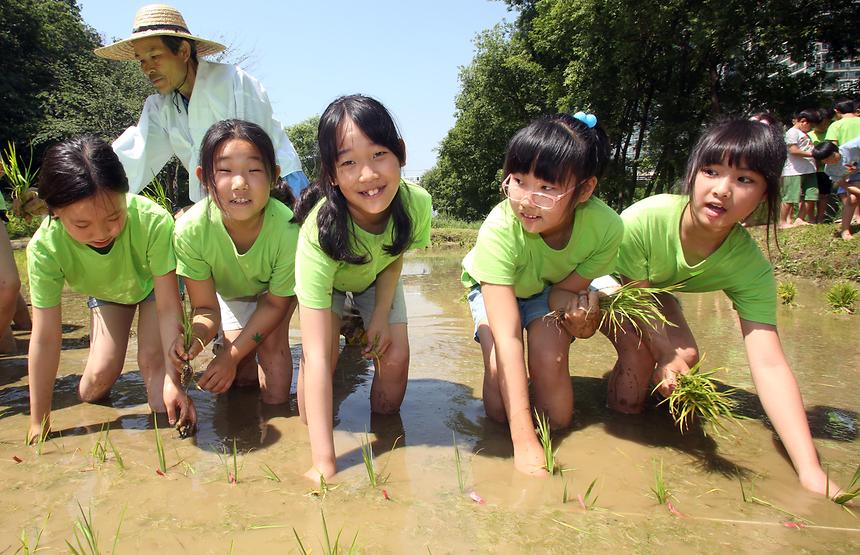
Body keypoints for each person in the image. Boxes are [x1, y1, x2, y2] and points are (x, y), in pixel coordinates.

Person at [605, 119, 843, 497]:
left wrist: (809, 468)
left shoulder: (749, 265)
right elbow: (633, 296)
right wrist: (666, 352)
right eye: (711, 171)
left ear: (766, 195)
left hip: (653, 291)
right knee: (643, 356)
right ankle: (621, 437)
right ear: (692, 175)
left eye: (744, 180)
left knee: (686, 356)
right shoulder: (647, 217)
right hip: (603, 288)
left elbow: (769, 363)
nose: (722, 190)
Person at [461, 112, 622, 476]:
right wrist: (525, 442)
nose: (526, 201)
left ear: (584, 190)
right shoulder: (501, 229)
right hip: (494, 290)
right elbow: (507, 336)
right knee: (499, 411)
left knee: (558, 417)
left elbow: (562, 293)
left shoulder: (606, 228)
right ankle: (516, 414)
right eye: (518, 181)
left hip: (545, 291)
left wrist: (582, 322)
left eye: (547, 189)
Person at [293, 95, 432, 480]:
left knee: (396, 357)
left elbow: (394, 256)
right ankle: (315, 441)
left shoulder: (416, 203)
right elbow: (318, 356)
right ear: (331, 175)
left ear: (400, 154)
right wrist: (325, 463)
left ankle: (386, 435)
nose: (368, 175)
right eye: (349, 162)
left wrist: (381, 317)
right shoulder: (317, 234)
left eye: (378, 155)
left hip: (377, 275)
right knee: (316, 380)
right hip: (329, 284)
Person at [25, 136, 194, 443]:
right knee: (93, 387)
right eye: (82, 225)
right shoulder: (44, 248)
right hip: (105, 294)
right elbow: (46, 336)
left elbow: (170, 307)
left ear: (124, 193)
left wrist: (174, 379)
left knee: (161, 400)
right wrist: (40, 419)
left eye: (114, 217)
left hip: (151, 290)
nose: (101, 233)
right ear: (54, 212)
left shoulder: (152, 222)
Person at [94, 4, 309, 204]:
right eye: (142, 60)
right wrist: (87, 189)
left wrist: (201, 211)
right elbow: (132, 157)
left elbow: (254, 158)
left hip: (279, 188)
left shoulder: (235, 82)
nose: (148, 68)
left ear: (184, 51)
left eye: (155, 56)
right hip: (221, 203)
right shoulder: (161, 108)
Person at [173, 120, 298, 404]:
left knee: (271, 346)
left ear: (274, 176)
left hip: (275, 294)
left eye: (254, 170)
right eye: (225, 171)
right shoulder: (190, 231)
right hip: (230, 294)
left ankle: (278, 417)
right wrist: (196, 341)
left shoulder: (289, 228)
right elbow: (205, 308)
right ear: (205, 178)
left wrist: (231, 355)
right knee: (240, 378)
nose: (240, 184)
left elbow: (275, 304)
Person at [813, 138, 860, 240]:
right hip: (856, 176)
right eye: (826, 161)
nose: (832, 161)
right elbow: (844, 185)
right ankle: (845, 230)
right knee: (852, 199)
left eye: (833, 157)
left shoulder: (851, 147)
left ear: (836, 150)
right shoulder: (830, 169)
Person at [780, 109, 820, 227]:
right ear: (803, 121)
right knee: (790, 197)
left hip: (809, 169)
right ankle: (782, 222)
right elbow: (793, 150)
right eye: (811, 125)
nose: (811, 128)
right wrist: (813, 154)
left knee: (811, 195)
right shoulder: (792, 133)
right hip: (794, 170)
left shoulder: (804, 134)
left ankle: (800, 218)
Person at [808, 108, 835, 223]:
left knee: (824, 195)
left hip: (826, 170)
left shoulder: (831, 132)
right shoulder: (808, 135)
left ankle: (820, 218)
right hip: (811, 170)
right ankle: (810, 219)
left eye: (825, 122)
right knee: (810, 195)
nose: (822, 125)